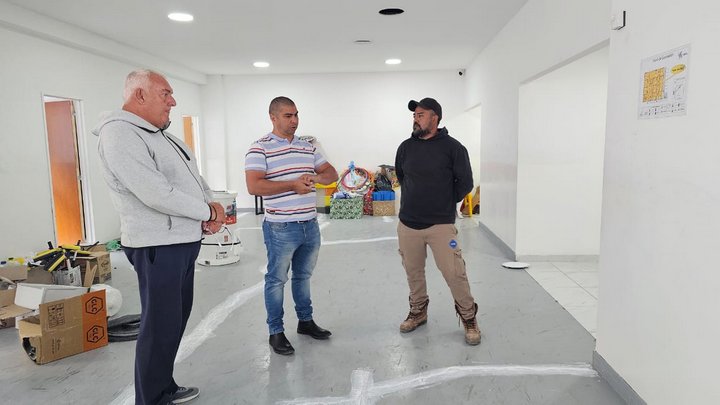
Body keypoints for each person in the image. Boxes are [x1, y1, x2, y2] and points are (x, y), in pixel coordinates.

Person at [95, 69, 226, 404]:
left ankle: (162, 385)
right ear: (139, 94)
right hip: (157, 245)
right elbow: (156, 193)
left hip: (180, 240)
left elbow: (194, 178)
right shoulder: (120, 135)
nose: (173, 101)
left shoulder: (163, 135)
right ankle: (151, 398)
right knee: (159, 325)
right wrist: (207, 213)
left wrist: (212, 207)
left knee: (174, 318)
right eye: (165, 93)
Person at [245, 96, 338, 355]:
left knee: (303, 277)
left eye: (296, 114)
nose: (294, 120)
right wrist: (292, 184)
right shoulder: (259, 148)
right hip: (280, 228)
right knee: (276, 280)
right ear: (273, 117)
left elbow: (331, 173)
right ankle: (276, 332)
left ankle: (305, 322)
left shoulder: (307, 147)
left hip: (310, 224)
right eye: (288, 115)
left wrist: (315, 177)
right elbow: (254, 186)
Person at [394, 97, 481, 345]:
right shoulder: (405, 147)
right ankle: (418, 311)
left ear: (435, 117)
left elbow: (465, 182)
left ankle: (468, 317)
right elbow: (401, 174)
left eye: (421, 114)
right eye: (414, 115)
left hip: (441, 225)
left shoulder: (453, 148)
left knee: (455, 273)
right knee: (413, 273)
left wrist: (443, 203)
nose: (415, 118)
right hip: (408, 223)